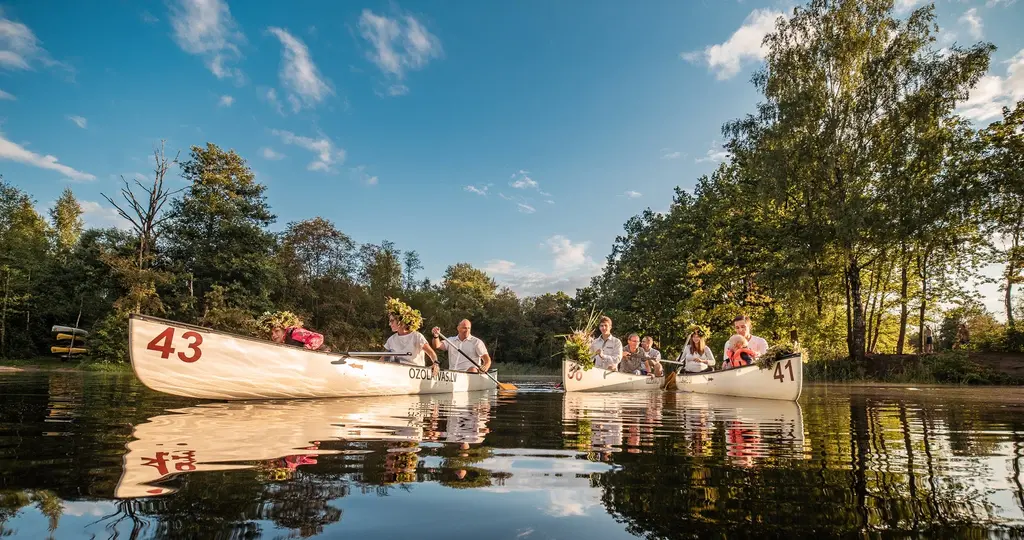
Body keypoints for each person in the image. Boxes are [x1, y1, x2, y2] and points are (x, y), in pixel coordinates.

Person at [383, 297, 439, 376]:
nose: (390, 324)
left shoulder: (417, 336)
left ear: (401, 321)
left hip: (415, 373)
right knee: (389, 355)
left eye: (392, 321)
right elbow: (383, 358)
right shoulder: (391, 340)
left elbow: (431, 353)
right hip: (397, 372)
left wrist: (435, 363)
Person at [258, 311, 328, 351]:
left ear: (284, 328)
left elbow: (318, 337)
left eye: (277, 331)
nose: (273, 335)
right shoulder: (283, 343)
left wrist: (306, 349)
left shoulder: (294, 332)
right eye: (271, 333)